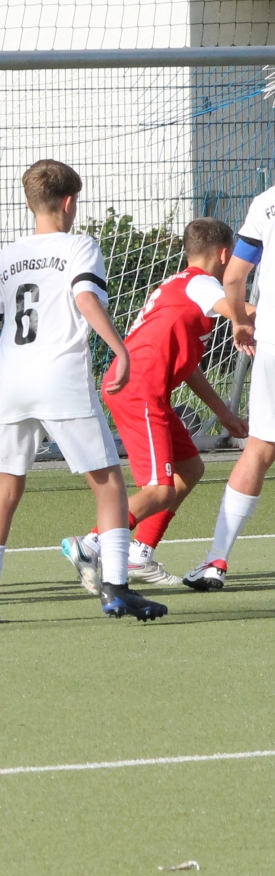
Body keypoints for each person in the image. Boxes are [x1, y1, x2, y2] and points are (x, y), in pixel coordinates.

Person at [0, 160, 164, 624]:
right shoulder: (80, 246)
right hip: (61, 378)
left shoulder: (6, 257)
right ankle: (117, 588)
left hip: (13, 383)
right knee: (108, 483)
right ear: (70, 202)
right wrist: (120, 350)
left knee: (4, 488)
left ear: (29, 203)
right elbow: (85, 298)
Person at [58, 218, 249, 590]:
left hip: (141, 388)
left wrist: (223, 412)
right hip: (139, 390)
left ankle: (138, 553)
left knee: (189, 468)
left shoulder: (181, 285)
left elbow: (188, 367)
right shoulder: (202, 284)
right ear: (225, 254)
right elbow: (240, 311)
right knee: (160, 490)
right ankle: (91, 543)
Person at [183, 185, 275, 592]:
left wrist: (239, 322)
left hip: (272, 342)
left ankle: (216, 559)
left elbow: (235, 276)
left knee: (260, 448)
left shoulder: (266, 202)